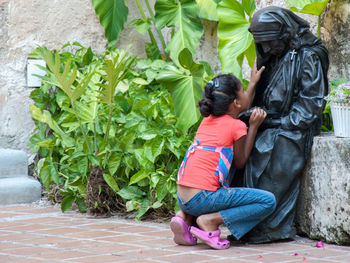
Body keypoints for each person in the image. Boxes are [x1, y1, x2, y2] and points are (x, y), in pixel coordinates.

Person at [230, 6, 329, 244]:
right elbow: (259, 96)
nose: (265, 49)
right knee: (237, 141)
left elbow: (310, 106)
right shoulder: (274, 54)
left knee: (266, 149)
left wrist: (274, 122)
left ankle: (267, 226)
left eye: (269, 42)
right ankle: (237, 219)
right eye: (261, 43)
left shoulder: (308, 56)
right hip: (270, 121)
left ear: (284, 33)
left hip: (293, 128)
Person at [170, 66, 276, 250]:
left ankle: (184, 217)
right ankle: (210, 221)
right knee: (268, 201)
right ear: (235, 102)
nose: (245, 93)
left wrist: (252, 84)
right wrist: (253, 127)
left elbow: (242, 104)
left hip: (182, 196)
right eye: (242, 90)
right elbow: (240, 161)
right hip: (203, 198)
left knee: (204, 194)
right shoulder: (237, 127)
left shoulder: (207, 119)